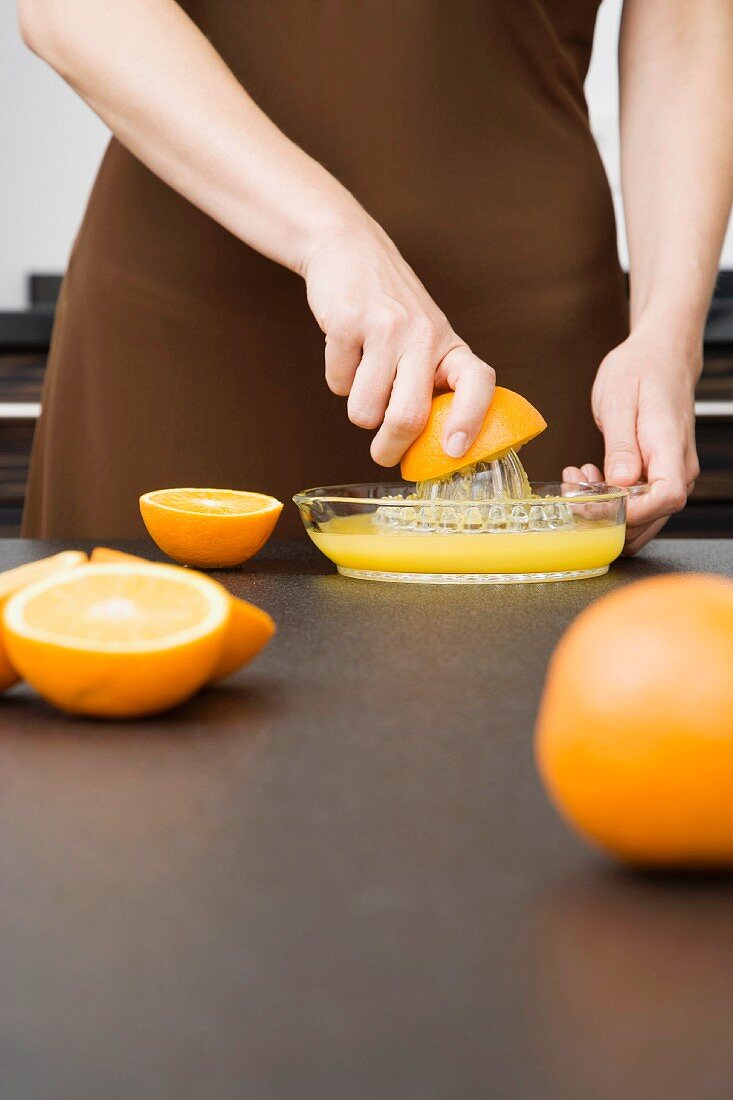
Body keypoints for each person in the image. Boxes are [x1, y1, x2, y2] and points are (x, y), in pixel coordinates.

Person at [18, 0, 733, 546]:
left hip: (527, 353)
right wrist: (329, 233)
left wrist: (668, 335)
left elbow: (686, 33)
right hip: (191, 331)